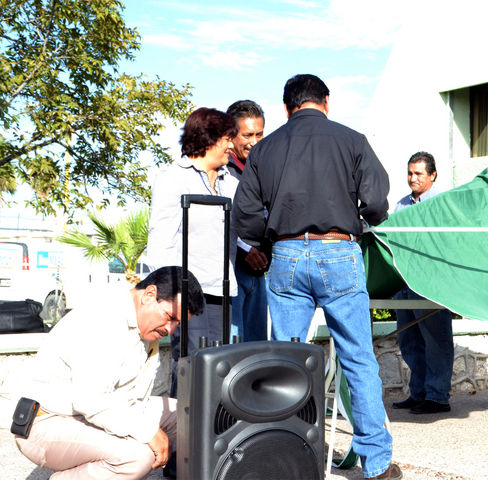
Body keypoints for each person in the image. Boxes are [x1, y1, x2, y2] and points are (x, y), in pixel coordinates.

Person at [231, 74, 401, 480]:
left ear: (287, 107)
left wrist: (266, 241)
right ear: (326, 101)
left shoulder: (265, 148)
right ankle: (377, 464)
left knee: (285, 362)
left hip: (286, 254)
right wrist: (363, 219)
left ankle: (285, 459)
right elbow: (377, 201)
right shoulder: (352, 140)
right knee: (358, 357)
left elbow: (245, 214)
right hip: (338, 248)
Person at [14, 266, 205, 479]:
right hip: (47, 422)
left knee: (188, 414)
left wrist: (146, 431)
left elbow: (129, 398)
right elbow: (90, 401)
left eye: (178, 323)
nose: (170, 329)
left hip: (88, 413)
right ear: (149, 295)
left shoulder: (142, 324)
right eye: (169, 317)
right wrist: (149, 433)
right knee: (137, 457)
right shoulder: (104, 319)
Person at [146, 107, 239, 396]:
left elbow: (241, 229)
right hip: (187, 290)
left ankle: (214, 426)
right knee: (191, 367)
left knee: (221, 369)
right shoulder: (173, 178)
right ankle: (182, 425)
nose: (231, 145)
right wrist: (169, 291)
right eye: (227, 138)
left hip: (222, 290)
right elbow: (160, 239)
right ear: (209, 139)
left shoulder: (231, 182)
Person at [391, 152, 455, 415]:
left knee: (436, 341)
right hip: (404, 282)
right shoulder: (401, 205)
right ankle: (418, 393)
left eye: (418, 173)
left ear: (432, 175)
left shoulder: (442, 204)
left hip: (431, 283)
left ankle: (437, 397)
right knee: (409, 340)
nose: (412, 178)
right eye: (410, 173)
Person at [225, 99, 269, 342]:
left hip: (259, 272)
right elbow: (218, 222)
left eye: (259, 134)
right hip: (233, 270)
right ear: (231, 135)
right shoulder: (221, 170)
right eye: (248, 135)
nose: (255, 142)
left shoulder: (264, 168)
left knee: (258, 349)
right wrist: (245, 248)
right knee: (234, 348)